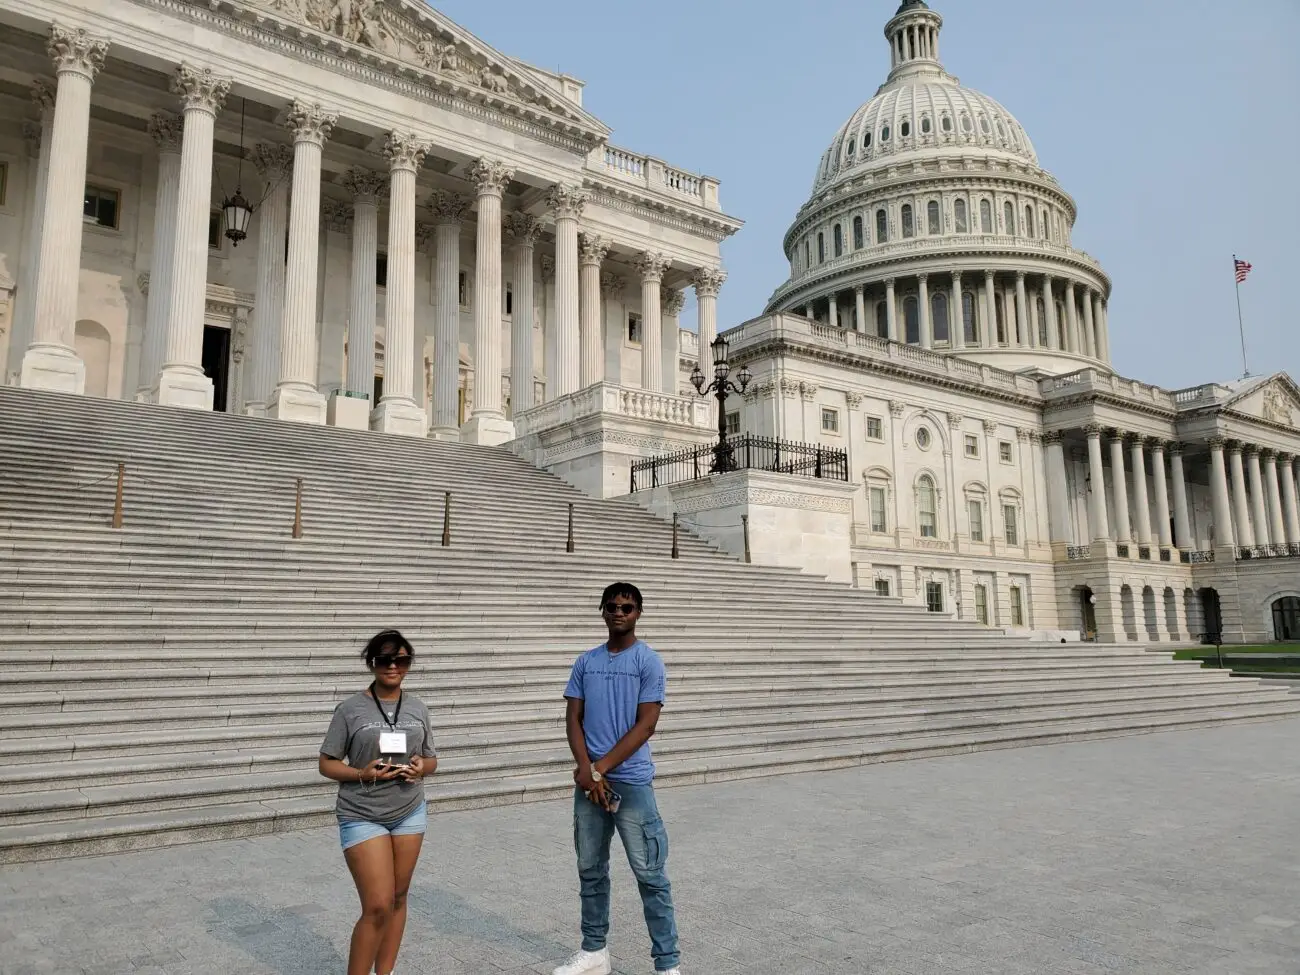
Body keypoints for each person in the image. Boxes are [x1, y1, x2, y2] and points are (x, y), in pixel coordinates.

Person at [553, 583, 682, 975]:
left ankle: (667, 964)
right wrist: (585, 769)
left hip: (629, 781)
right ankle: (594, 952)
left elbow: (646, 726)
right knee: (590, 868)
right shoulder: (586, 662)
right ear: (602, 611)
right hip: (590, 784)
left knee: (650, 874)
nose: (619, 612)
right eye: (612, 606)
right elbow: (572, 718)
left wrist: (598, 769)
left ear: (639, 612)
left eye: (627, 607)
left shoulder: (648, 662)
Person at [319, 629, 437, 975]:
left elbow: (431, 759)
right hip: (362, 812)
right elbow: (326, 763)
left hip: (409, 809)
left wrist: (420, 768)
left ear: (408, 664)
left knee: (399, 897)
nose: (392, 666)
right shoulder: (350, 709)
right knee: (377, 905)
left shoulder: (417, 708)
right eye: (384, 659)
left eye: (400, 659)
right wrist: (361, 772)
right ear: (372, 663)